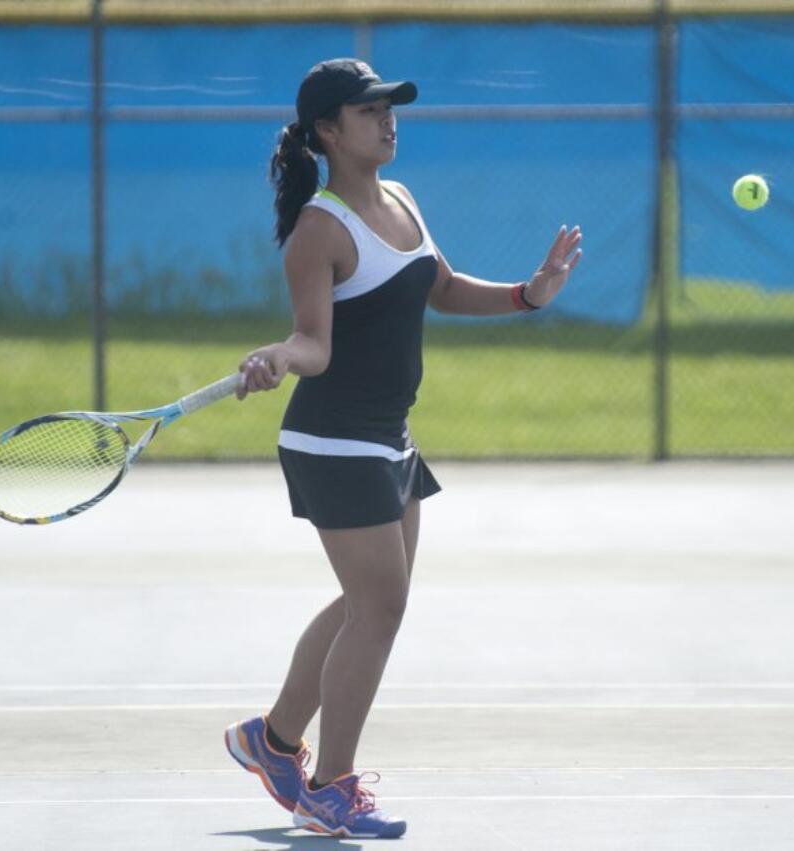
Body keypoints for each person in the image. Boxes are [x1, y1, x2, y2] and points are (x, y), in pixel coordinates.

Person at [223, 58, 582, 839]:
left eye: (390, 107)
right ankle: (329, 784)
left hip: (391, 437)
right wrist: (280, 356)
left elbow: (440, 286)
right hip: (333, 439)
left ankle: (272, 739)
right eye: (369, 110)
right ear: (327, 131)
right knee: (381, 606)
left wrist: (528, 293)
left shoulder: (400, 200)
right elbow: (314, 342)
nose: (388, 119)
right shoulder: (320, 229)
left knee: (369, 604)